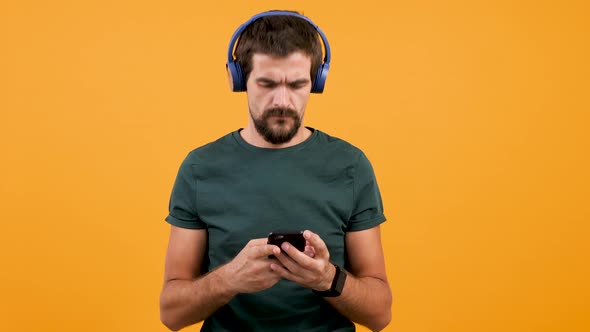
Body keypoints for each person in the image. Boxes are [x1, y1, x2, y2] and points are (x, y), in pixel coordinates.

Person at [159, 10, 392, 332]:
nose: (282, 101)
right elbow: (172, 314)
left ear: (317, 82)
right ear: (238, 80)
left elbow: (379, 314)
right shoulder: (200, 167)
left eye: (297, 85)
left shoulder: (350, 165)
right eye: (267, 84)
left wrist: (326, 278)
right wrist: (230, 278)